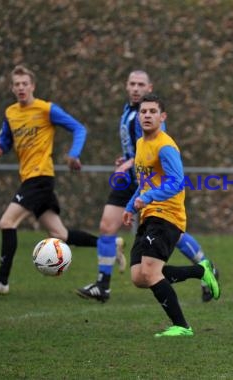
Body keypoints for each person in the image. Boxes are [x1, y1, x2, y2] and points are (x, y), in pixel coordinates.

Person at [76, 70, 218, 303]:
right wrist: (126, 159)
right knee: (107, 226)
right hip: (132, 178)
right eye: (132, 84)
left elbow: (155, 148)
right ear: (126, 86)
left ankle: (205, 267)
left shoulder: (151, 115)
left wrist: (133, 163)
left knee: (173, 233)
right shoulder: (128, 112)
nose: (135, 88)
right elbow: (137, 148)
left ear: (149, 89)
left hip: (148, 179)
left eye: (141, 84)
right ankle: (103, 284)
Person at [0, 65, 99, 295]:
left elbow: (79, 128)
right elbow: (6, 140)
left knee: (6, 222)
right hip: (31, 178)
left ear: (32, 86)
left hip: (39, 177)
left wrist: (74, 153)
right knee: (60, 235)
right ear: (12, 88)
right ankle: (108, 245)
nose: (21, 88)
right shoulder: (11, 113)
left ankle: (2, 281)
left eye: (25, 84)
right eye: (17, 84)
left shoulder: (46, 109)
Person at [122, 93, 220, 337]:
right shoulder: (141, 144)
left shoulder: (165, 146)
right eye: (143, 112)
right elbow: (144, 183)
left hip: (167, 215)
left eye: (152, 112)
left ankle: (182, 326)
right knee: (138, 276)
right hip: (149, 214)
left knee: (150, 272)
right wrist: (130, 205)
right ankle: (201, 271)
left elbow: (177, 183)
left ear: (162, 117)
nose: (147, 115)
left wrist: (149, 197)